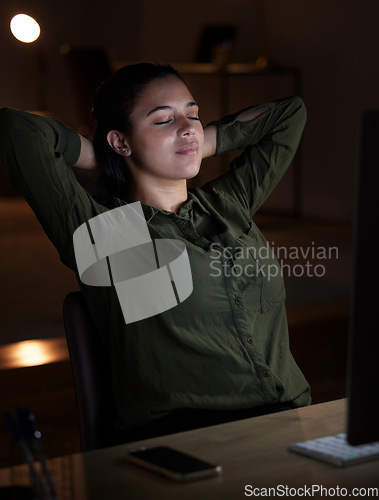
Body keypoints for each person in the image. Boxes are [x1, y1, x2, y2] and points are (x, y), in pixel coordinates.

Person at [0, 62, 310, 443]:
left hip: (291, 422)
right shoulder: (110, 236)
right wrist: (103, 153)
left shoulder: (227, 205)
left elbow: (289, 114)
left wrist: (196, 141)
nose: (187, 126)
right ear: (121, 141)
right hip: (190, 440)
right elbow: (17, 129)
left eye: (192, 114)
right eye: (163, 120)